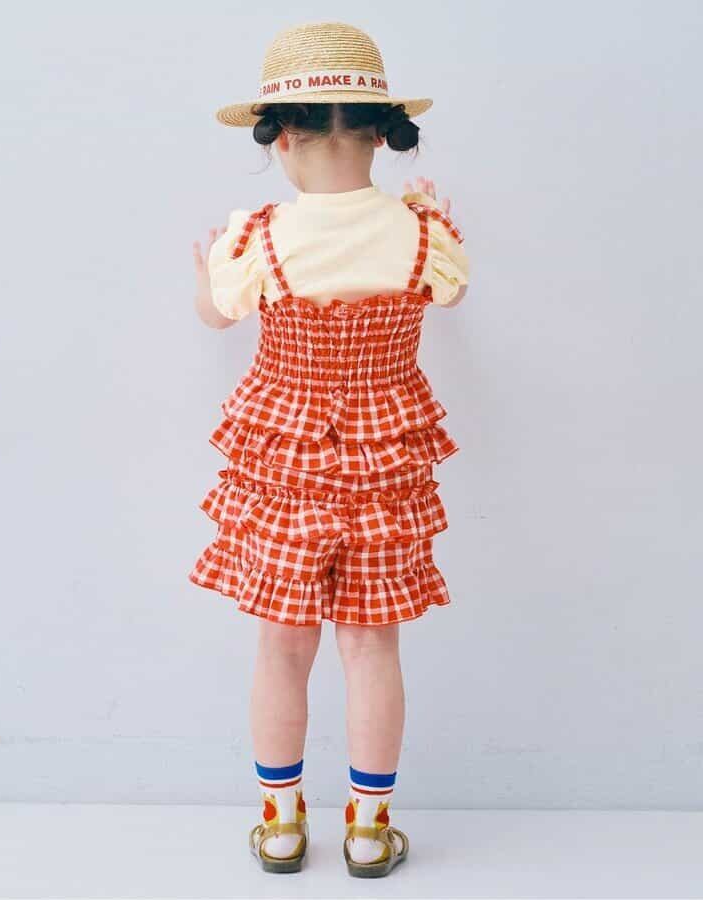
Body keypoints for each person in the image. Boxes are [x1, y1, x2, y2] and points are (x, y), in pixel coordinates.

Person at [190, 21, 470, 878]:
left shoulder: (257, 238)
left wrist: (204, 278)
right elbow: (450, 292)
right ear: (383, 135)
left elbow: (217, 315)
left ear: (280, 139)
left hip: (285, 463)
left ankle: (281, 826)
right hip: (386, 463)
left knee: (281, 647)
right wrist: (432, 215)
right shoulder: (423, 233)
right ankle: (369, 829)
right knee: (372, 648)